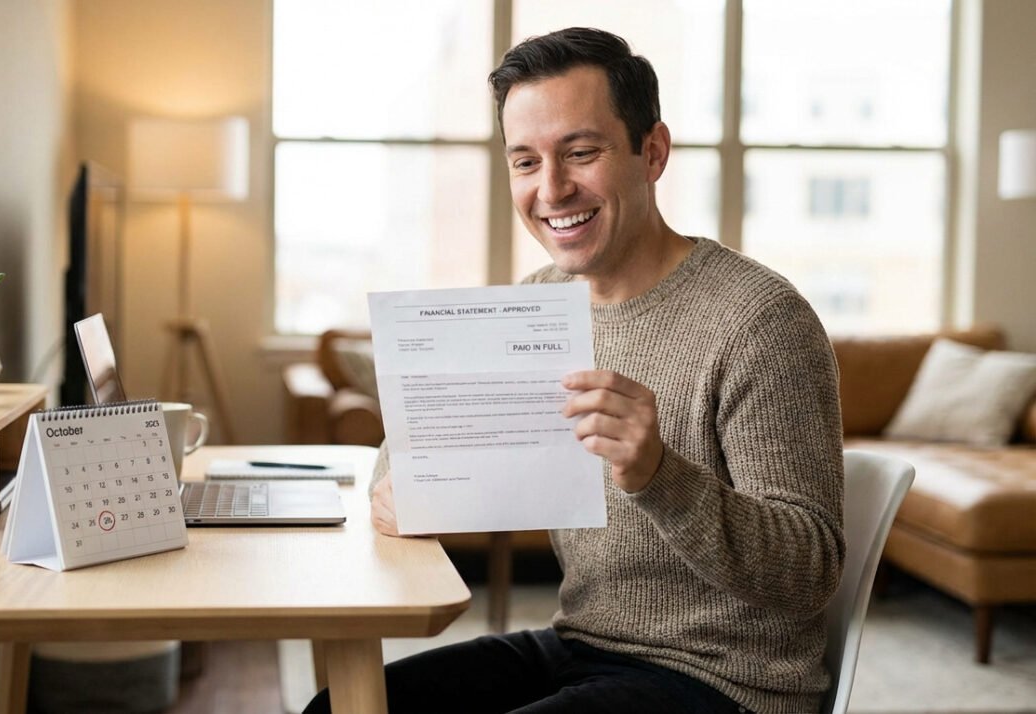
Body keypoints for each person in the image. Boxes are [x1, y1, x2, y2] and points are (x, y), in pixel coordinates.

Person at [306, 27, 844, 714]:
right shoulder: (540, 303)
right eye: (525, 162)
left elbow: (811, 571)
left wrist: (660, 476)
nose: (552, 190)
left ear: (652, 152)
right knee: (341, 708)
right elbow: (418, 447)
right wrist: (400, 485)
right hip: (584, 643)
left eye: (580, 153)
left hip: (728, 682)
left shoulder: (761, 321)